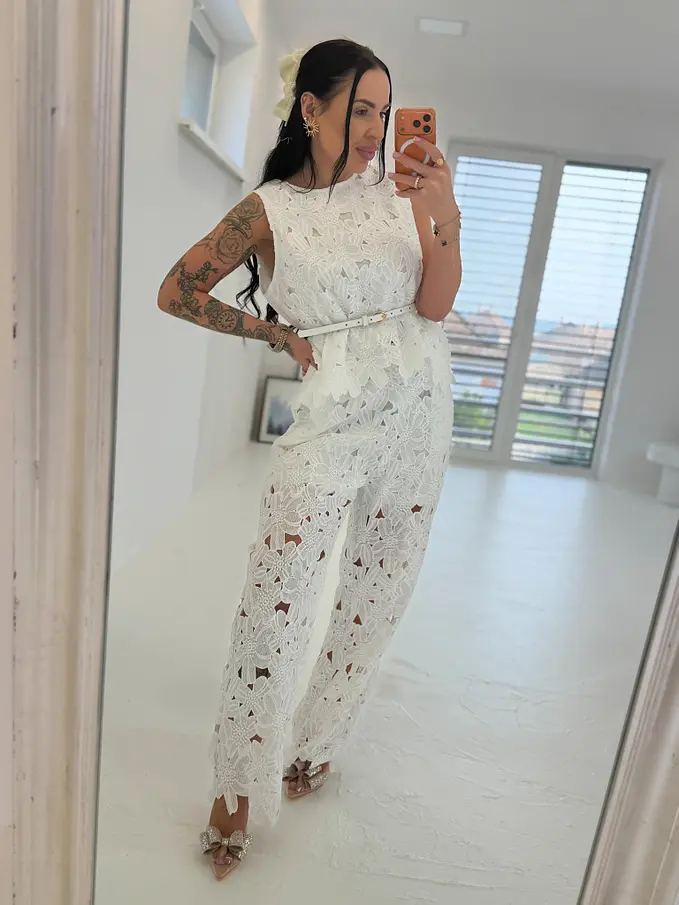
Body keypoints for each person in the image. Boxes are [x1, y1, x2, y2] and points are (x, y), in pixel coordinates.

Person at [157, 38, 462, 880]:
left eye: (384, 112)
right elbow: (178, 289)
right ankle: (235, 787)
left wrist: (443, 212)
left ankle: (316, 742)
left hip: (419, 405)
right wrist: (275, 333)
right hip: (332, 413)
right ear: (311, 108)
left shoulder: (402, 193)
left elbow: (436, 302)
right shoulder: (269, 209)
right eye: (360, 109)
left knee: (377, 590)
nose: (375, 128)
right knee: (276, 600)